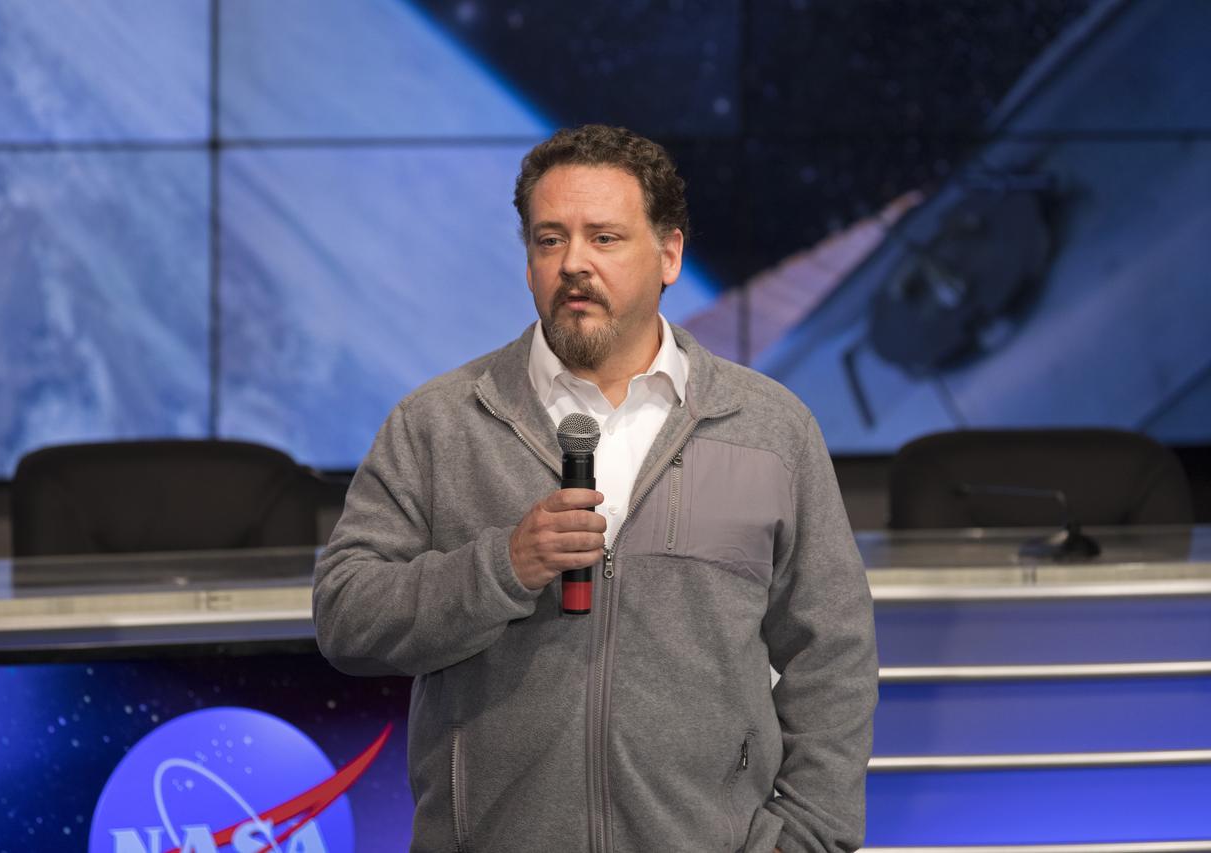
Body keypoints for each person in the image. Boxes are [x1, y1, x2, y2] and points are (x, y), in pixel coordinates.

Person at [314, 124, 878, 853]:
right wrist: (501, 567)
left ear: (669, 253)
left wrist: (808, 837)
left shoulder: (770, 427)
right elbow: (347, 615)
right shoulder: (441, 422)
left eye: (604, 238)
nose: (573, 262)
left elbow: (832, 653)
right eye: (550, 240)